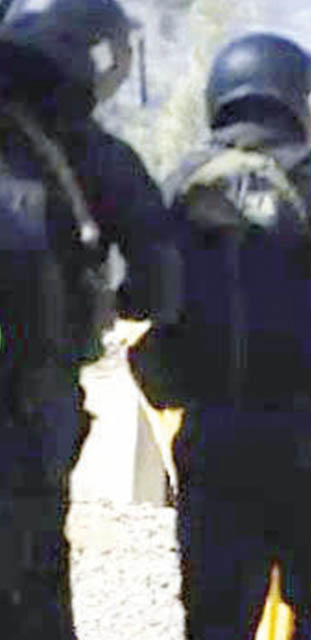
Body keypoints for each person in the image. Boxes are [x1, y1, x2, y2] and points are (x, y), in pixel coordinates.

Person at [143, 33, 311, 640]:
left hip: (214, 435)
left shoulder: (185, 182)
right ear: (297, 98)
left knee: (216, 618)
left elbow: (137, 291)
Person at [0, 1, 179, 636]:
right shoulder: (84, 149)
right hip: (29, 418)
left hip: (31, 411)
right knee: (33, 586)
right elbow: (160, 280)